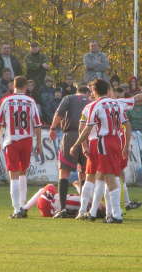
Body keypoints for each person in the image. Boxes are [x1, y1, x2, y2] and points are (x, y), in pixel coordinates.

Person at [69, 78, 131, 224]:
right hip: (117, 140)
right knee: (110, 177)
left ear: (95, 91)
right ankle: (109, 213)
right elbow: (127, 126)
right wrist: (126, 146)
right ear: (108, 90)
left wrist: (76, 144)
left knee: (107, 178)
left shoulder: (94, 106)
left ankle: (115, 215)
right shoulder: (116, 104)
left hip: (104, 142)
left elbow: (86, 129)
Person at [0, 76, 42, 219]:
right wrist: (38, 142)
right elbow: (37, 124)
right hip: (27, 140)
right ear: (25, 87)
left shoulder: (6, 100)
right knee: (22, 172)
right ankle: (22, 205)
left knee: (13, 173)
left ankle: (16, 209)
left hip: (11, 140)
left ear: (13, 86)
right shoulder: (31, 101)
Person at [48, 86, 90, 218]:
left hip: (71, 135)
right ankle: (83, 210)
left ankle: (63, 209)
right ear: (88, 93)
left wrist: (53, 128)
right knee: (84, 174)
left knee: (64, 172)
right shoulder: (91, 102)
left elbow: (59, 113)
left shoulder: (69, 98)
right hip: (87, 136)